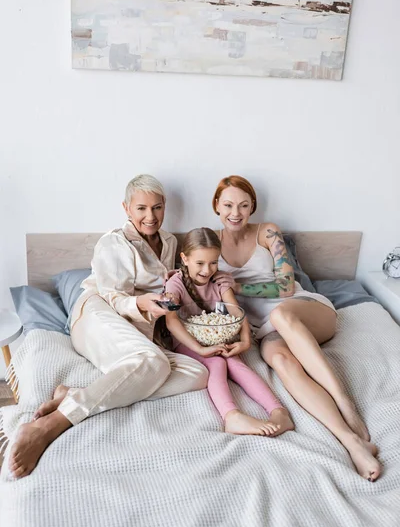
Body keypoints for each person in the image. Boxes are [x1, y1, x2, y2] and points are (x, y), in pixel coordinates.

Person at [9, 175, 209, 479]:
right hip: (97, 313)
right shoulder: (113, 242)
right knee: (152, 362)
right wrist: (142, 304)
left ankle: (78, 393)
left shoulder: (170, 243)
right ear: (126, 208)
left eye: (157, 207)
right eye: (141, 208)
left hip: (138, 331)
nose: (150, 216)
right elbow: (112, 295)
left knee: (198, 373)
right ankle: (49, 425)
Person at [212, 175, 381, 481]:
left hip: (304, 311)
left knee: (282, 316)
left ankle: (344, 400)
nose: (235, 212)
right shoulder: (208, 243)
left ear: (253, 208)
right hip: (264, 328)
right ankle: (350, 441)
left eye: (243, 205)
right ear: (216, 206)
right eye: (228, 205)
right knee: (279, 361)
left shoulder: (268, 232)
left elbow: (287, 286)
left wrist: (238, 286)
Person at [164, 228, 294, 437]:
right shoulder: (175, 284)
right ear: (184, 258)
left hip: (220, 337)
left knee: (235, 363)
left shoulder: (220, 280)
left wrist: (244, 342)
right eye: (200, 263)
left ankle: (278, 411)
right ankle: (231, 416)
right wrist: (200, 349)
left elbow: (236, 313)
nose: (207, 270)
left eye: (213, 262)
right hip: (188, 342)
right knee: (217, 363)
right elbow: (171, 323)